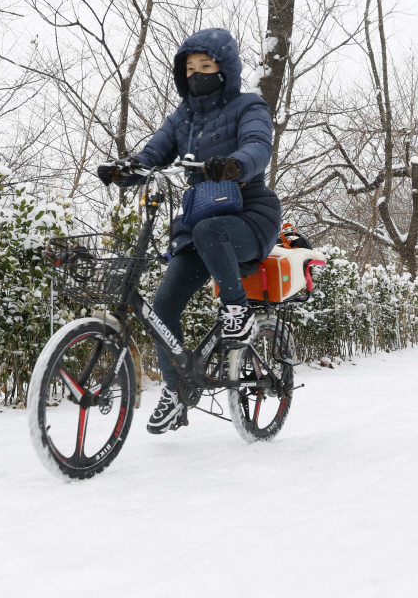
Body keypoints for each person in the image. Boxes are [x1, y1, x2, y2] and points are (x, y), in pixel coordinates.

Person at [96, 28, 282, 435]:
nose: (197, 74)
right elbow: (154, 152)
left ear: (224, 69)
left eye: (206, 66)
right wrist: (126, 169)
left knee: (212, 231)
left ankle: (238, 311)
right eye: (190, 68)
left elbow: (257, 145)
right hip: (199, 221)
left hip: (248, 214)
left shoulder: (249, 105)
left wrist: (234, 164)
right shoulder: (183, 116)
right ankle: (177, 391)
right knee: (163, 307)